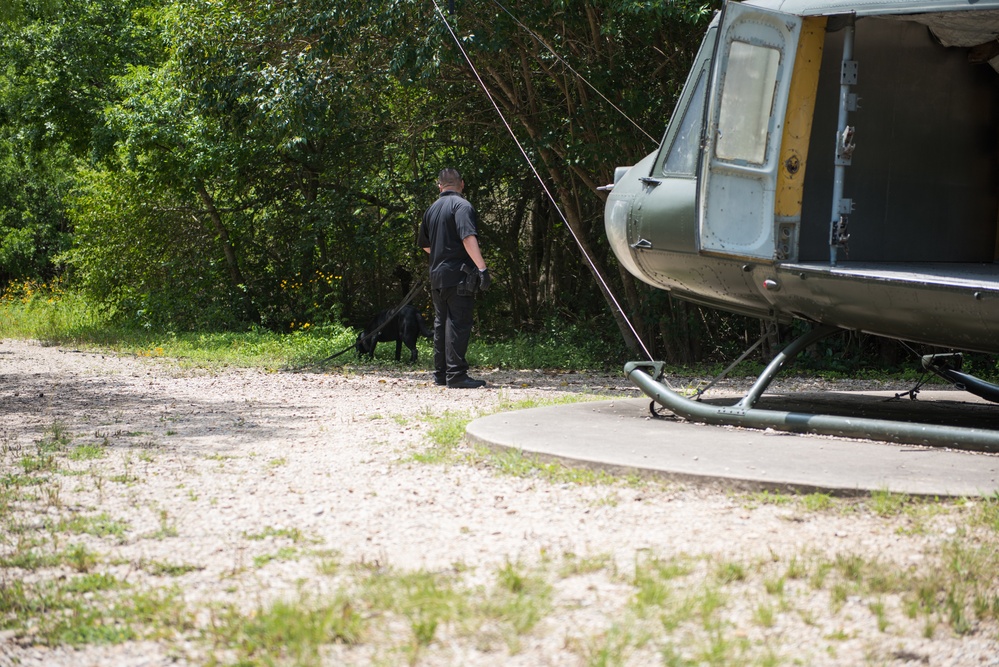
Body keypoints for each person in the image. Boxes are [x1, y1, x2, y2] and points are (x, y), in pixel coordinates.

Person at [417, 168, 491, 389]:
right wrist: (482, 269)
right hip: (459, 275)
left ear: (439, 186)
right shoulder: (462, 206)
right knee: (458, 323)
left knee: (441, 324)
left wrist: (443, 253)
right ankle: (457, 375)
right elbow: (467, 237)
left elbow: (426, 245)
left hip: (437, 276)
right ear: (462, 184)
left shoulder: (431, 210)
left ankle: (441, 374)